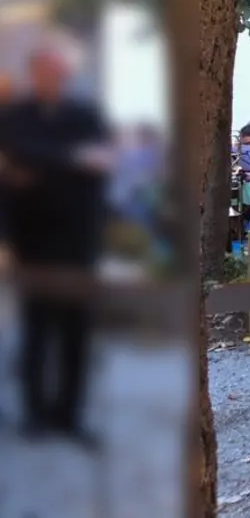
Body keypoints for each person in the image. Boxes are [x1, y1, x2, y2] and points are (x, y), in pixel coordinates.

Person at [0, 34, 113, 445]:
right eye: (44, 70)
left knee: (76, 331)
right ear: (34, 74)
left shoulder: (84, 115)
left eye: (57, 71)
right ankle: (35, 413)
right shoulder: (16, 117)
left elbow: (101, 162)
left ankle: (69, 414)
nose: (52, 77)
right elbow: (16, 164)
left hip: (78, 238)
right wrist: (69, 160)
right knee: (36, 328)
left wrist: (43, 167)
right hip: (32, 239)